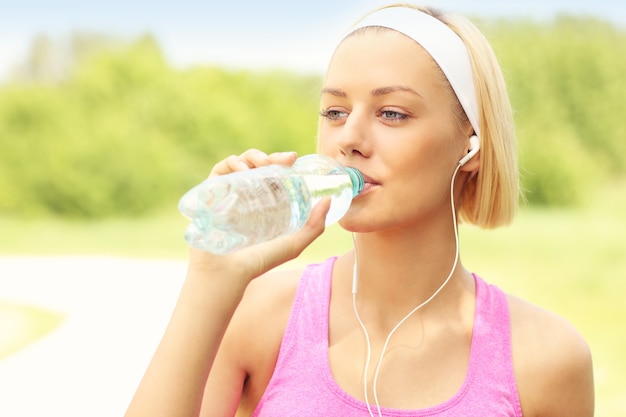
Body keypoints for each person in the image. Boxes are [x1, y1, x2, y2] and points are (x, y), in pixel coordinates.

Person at [124, 4, 594, 417]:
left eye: (392, 113)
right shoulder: (260, 315)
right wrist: (210, 280)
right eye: (334, 112)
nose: (348, 138)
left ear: (470, 145)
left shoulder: (546, 359)